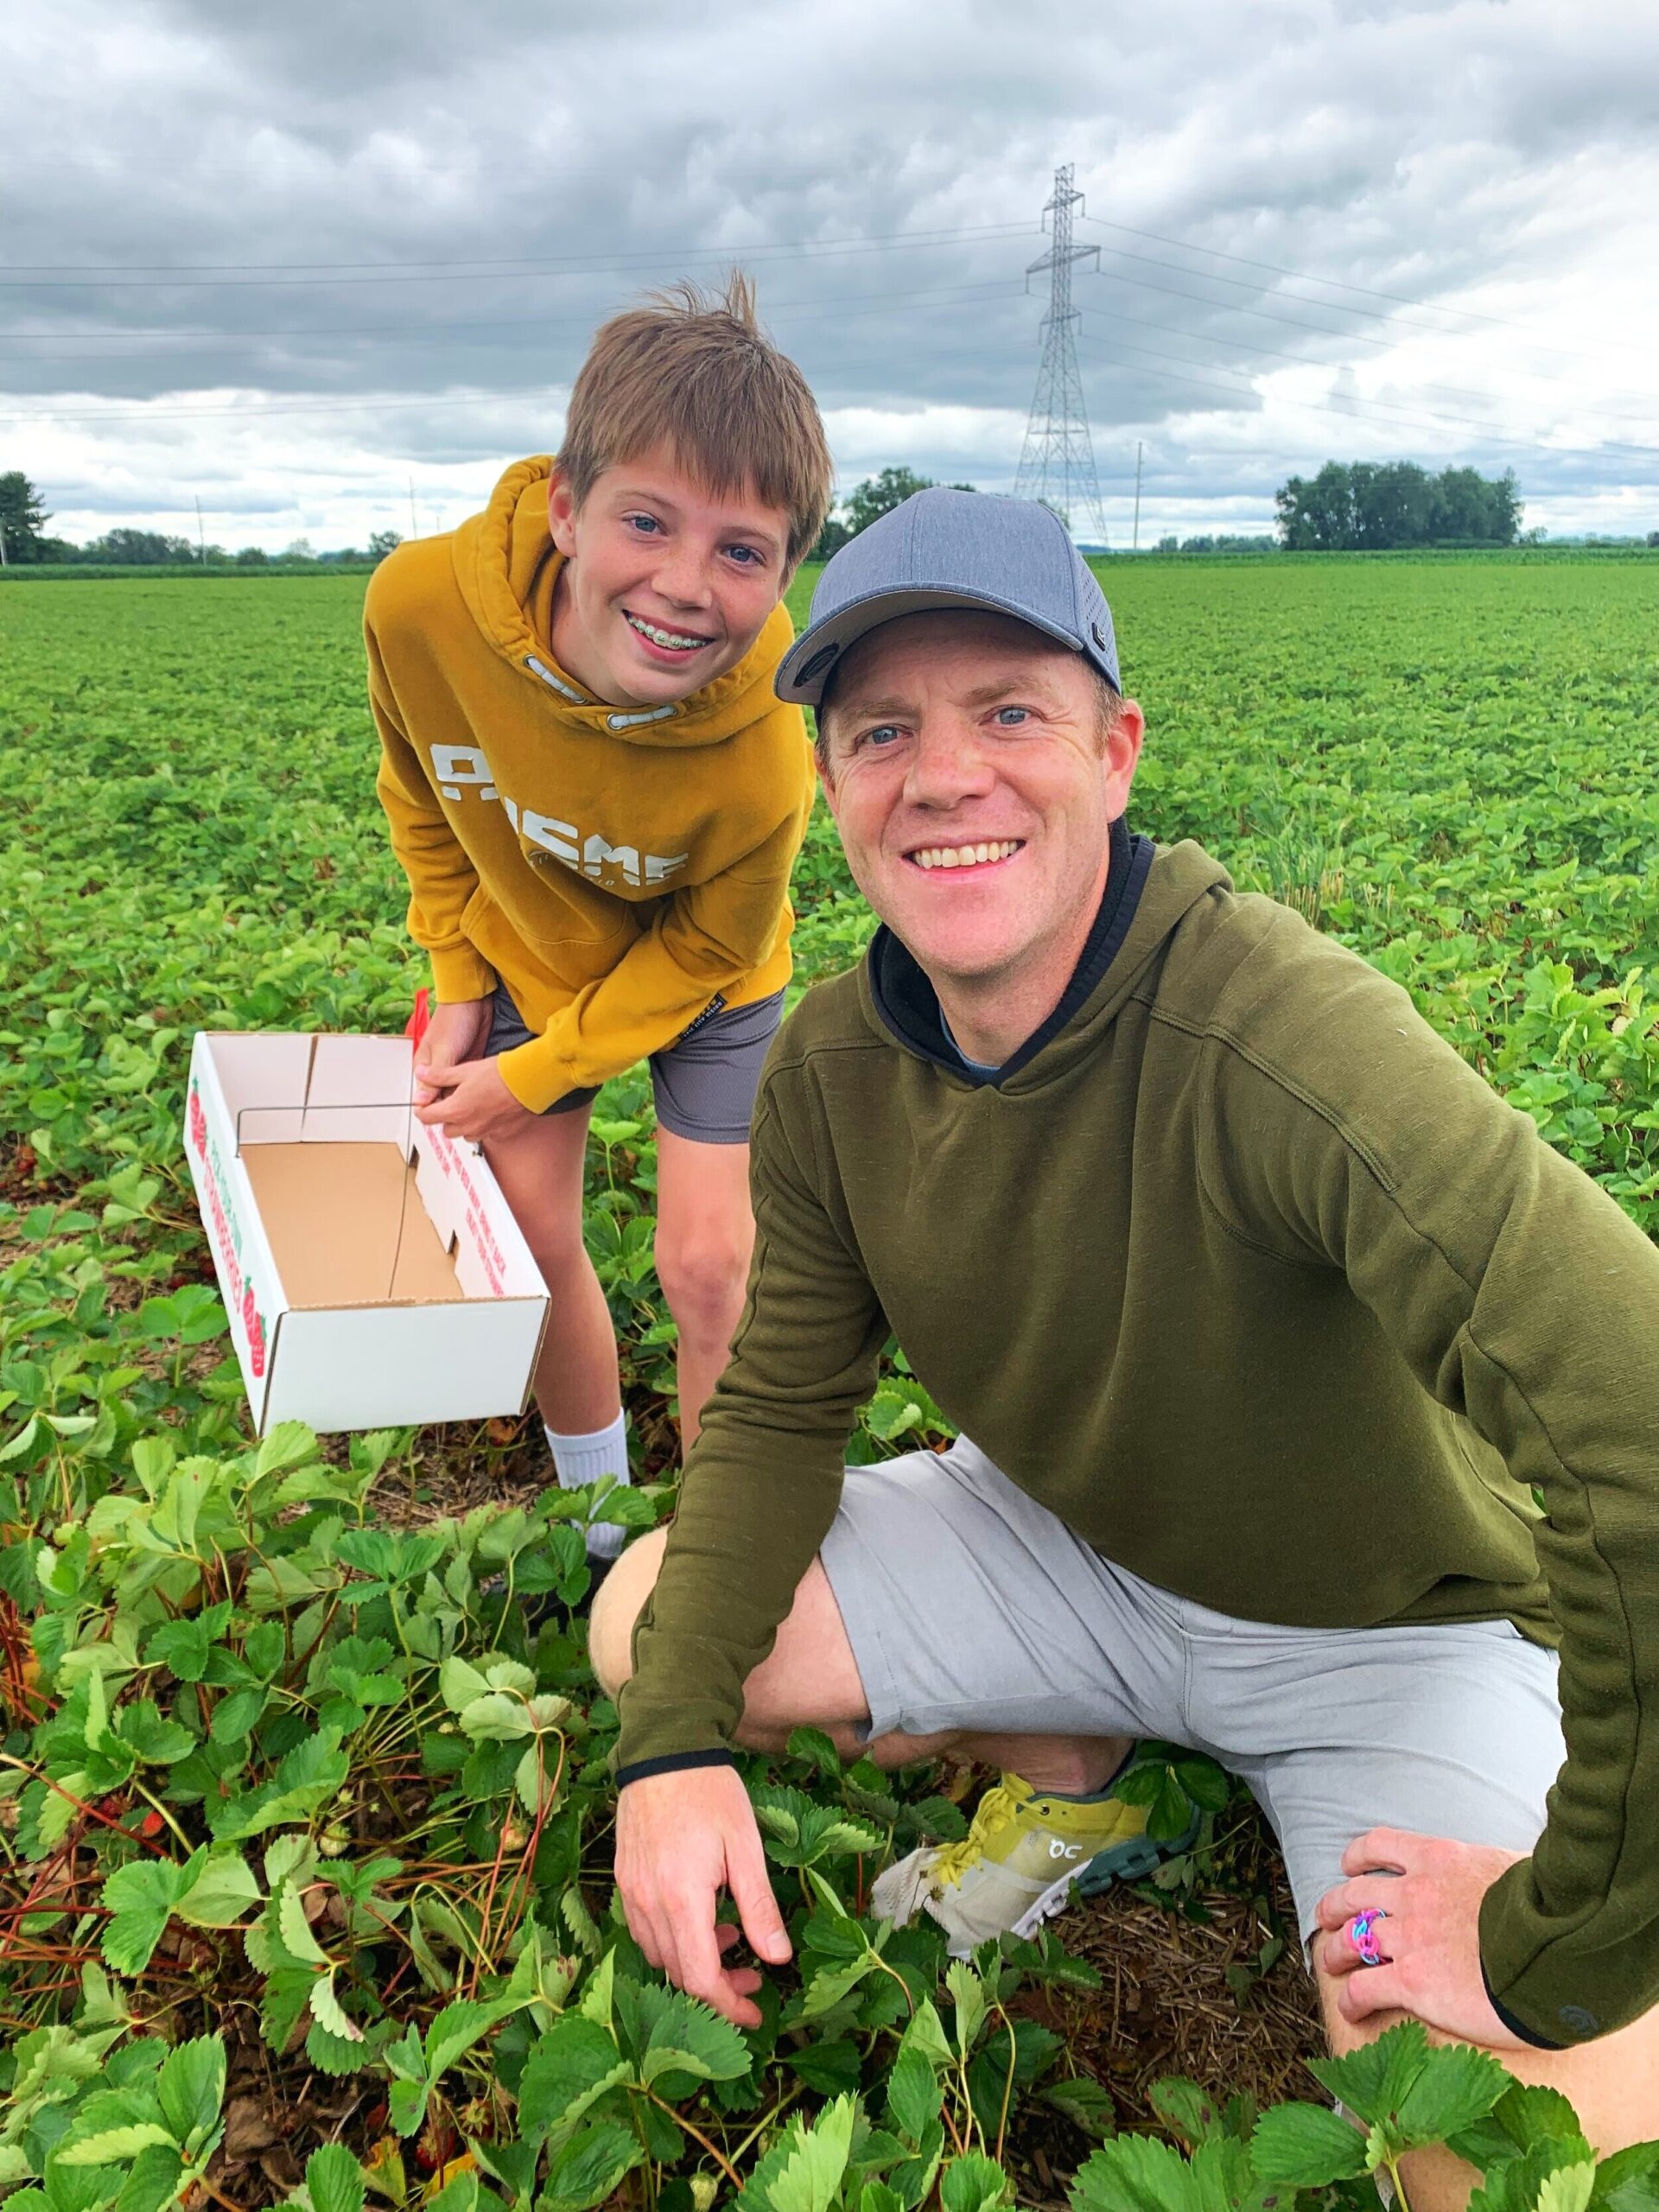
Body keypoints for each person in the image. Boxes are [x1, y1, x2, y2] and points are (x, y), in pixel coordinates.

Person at [593, 489, 1659, 2196]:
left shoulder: (1273, 1032)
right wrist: (673, 1749)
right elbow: (784, 1414)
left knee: (1525, 2156)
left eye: (1009, 711)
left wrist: (1564, 1937)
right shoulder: (830, 1074)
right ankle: (1077, 1765)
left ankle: (1368, 1846)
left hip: (1392, 1636)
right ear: (829, 785)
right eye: (881, 731)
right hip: (1073, 1551)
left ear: (1116, 748)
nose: (944, 775)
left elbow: (1643, 1428)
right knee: (655, 1623)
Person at [365, 277, 832, 1548]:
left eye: (744, 551)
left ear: (789, 566)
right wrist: (459, 981)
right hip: (529, 941)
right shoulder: (418, 610)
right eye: (646, 522)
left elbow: (710, 947)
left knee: (707, 1267)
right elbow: (420, 788)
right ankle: (600, 1523)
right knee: (527, 1239)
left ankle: (722, 1547)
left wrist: (539, 1074)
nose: (687, 586)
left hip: (707, 985)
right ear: (566, 509)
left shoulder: (766, 747)